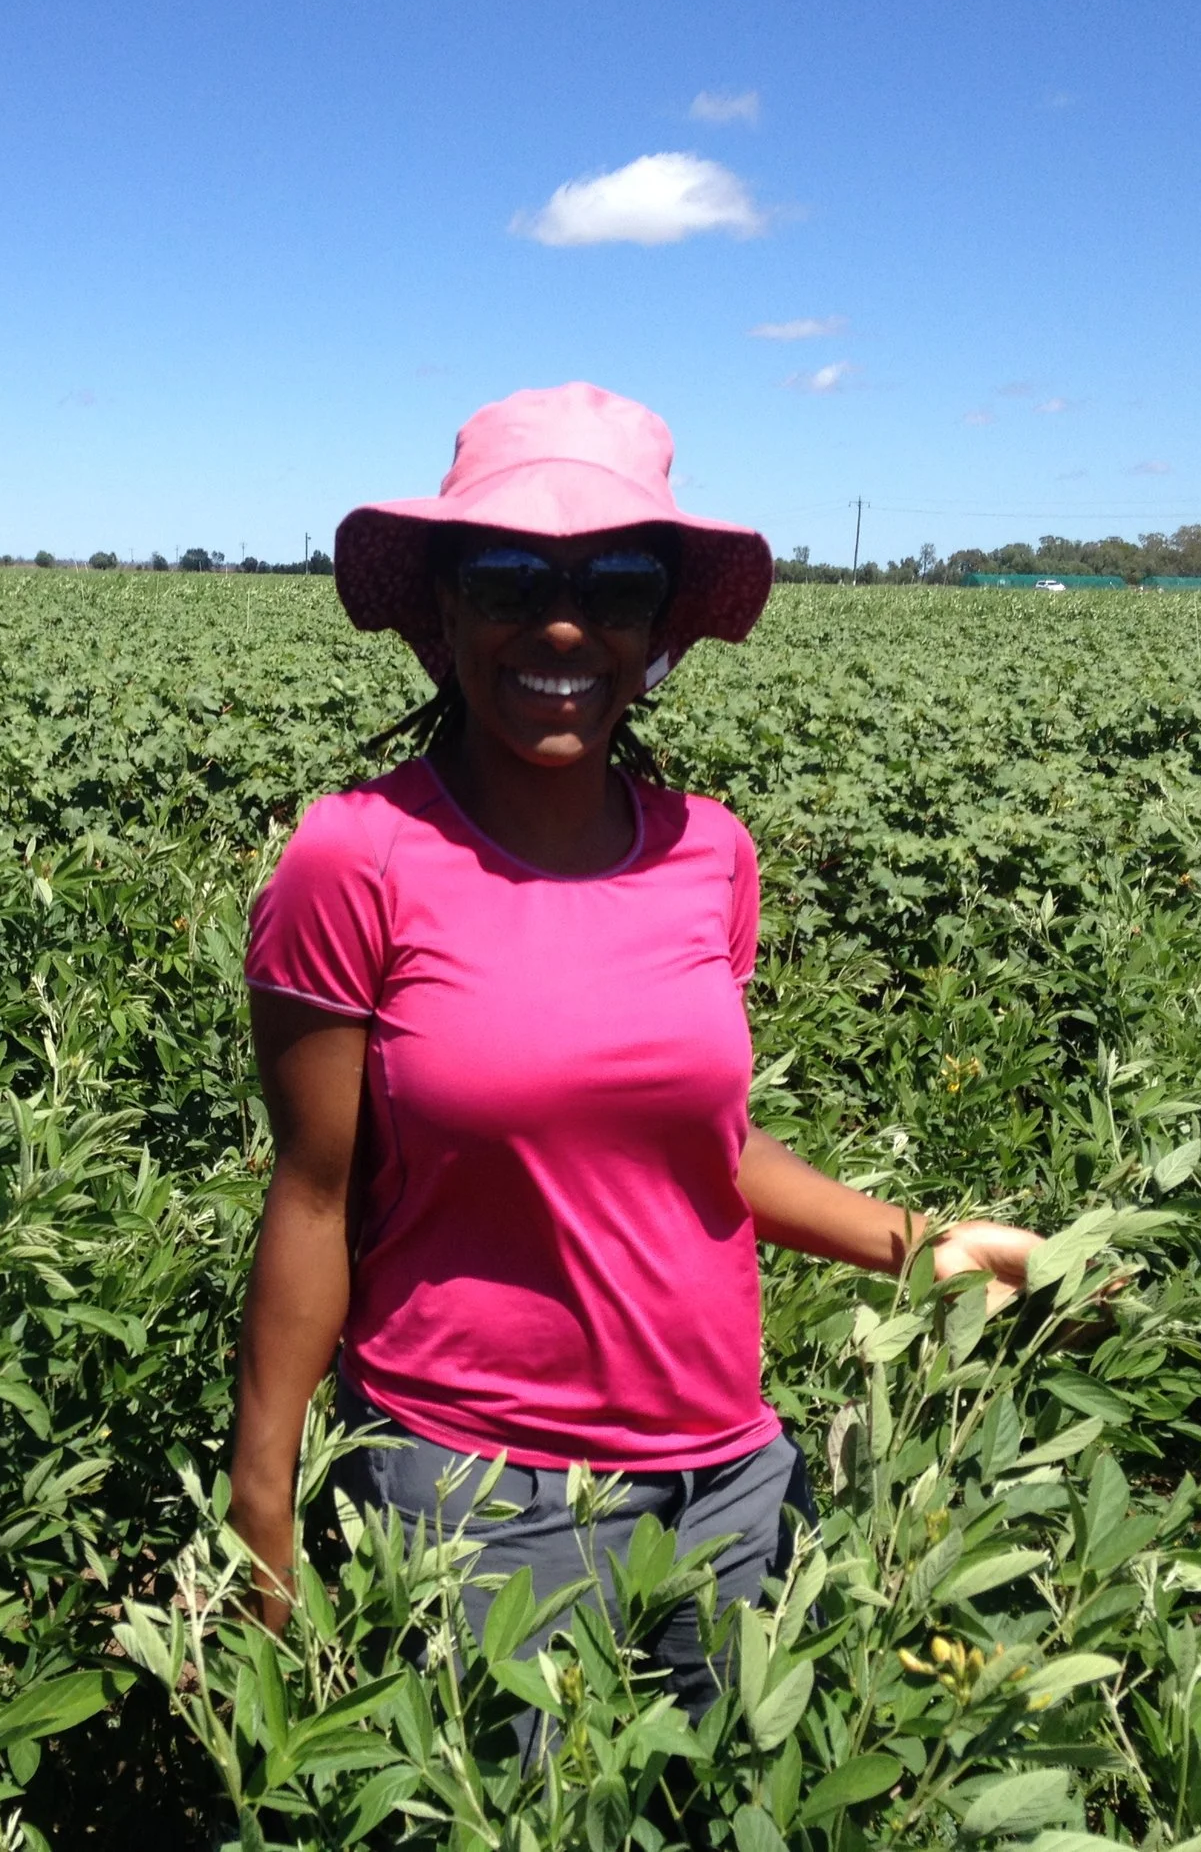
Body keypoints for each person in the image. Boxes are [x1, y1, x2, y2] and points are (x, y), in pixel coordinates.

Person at [230, 383, 1043, 1708]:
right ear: (443, 613)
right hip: (473, 1498)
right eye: (506, 578)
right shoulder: (356, 858)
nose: (563, 624)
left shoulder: (707, 850)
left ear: (660, 626)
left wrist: (919, 1243)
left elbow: (706, 1147)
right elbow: (313, 1194)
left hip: (726, 1482)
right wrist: (260, 1513)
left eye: (615, 584)